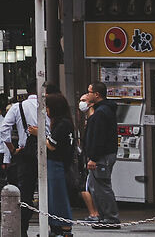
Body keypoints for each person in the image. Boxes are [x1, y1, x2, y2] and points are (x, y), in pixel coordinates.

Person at [81, 83, 122, 229]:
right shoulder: (103, 110)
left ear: (97, 94)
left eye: (89, 92)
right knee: (95, 186)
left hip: (102, 156)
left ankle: (110, 217)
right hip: (103, 155)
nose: (87, 95)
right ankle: (104, 216)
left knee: (102, 186)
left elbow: (98, 137)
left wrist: (93, 157)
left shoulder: (101, 113)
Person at [42, 90, 76, 237]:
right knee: (54, 197)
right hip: (59, 164)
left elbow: (52, 145)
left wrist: (40, 135)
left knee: (58, 197)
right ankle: (56, 227)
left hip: (57, 164)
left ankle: (64, 228)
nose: (46, 110)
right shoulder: (65, 122)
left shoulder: (62, 124)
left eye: (47, 107)